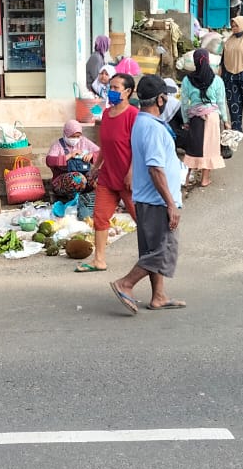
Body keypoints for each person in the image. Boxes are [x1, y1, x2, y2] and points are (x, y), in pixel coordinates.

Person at [109, 74, 185, 313]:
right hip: (156, 201)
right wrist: (171, 204)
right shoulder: (151, 127)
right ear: (161, 99)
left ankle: (159, 296)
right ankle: (126, 283)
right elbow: (155, 168)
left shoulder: (141, 121)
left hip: (146, 199)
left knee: (153, 249)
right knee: (163, 251)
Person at [78, 72, 138, 273]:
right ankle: (99, 259)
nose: (111, 92)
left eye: (115, 88)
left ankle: (154, 257)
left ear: (128, 92)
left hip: (128, 179)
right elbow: (105, 145)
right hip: (107, 177)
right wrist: (96, 168)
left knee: (142, 218)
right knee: (100, 217)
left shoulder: (133, 115)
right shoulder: (105, 114)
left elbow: (138, 148)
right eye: (110, 88)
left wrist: (131, 172)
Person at [180, 48, 229, 188]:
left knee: (193, 148)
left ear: (195, 62)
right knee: (210, 148)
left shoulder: (187, 80)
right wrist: (225, 120)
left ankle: (187, 178)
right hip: (213, 118)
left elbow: (184, 103)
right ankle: (205, 179)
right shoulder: (217, 80)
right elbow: (221, 102)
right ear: (207, 60)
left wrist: (185, 121)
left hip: (195, 117)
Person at [46, 120, 99, 220]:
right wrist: (69, 156)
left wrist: (91, 155)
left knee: (99, 175)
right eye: (72, 136)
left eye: (78, 136)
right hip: (63, 181)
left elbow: (100, 152)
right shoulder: (58, 145)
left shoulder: (83, 141)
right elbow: (49, 161)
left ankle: (92, 200)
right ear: (66, 134)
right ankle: (73, 201)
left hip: (84, 177)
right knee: (78, 178)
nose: (75, 139)